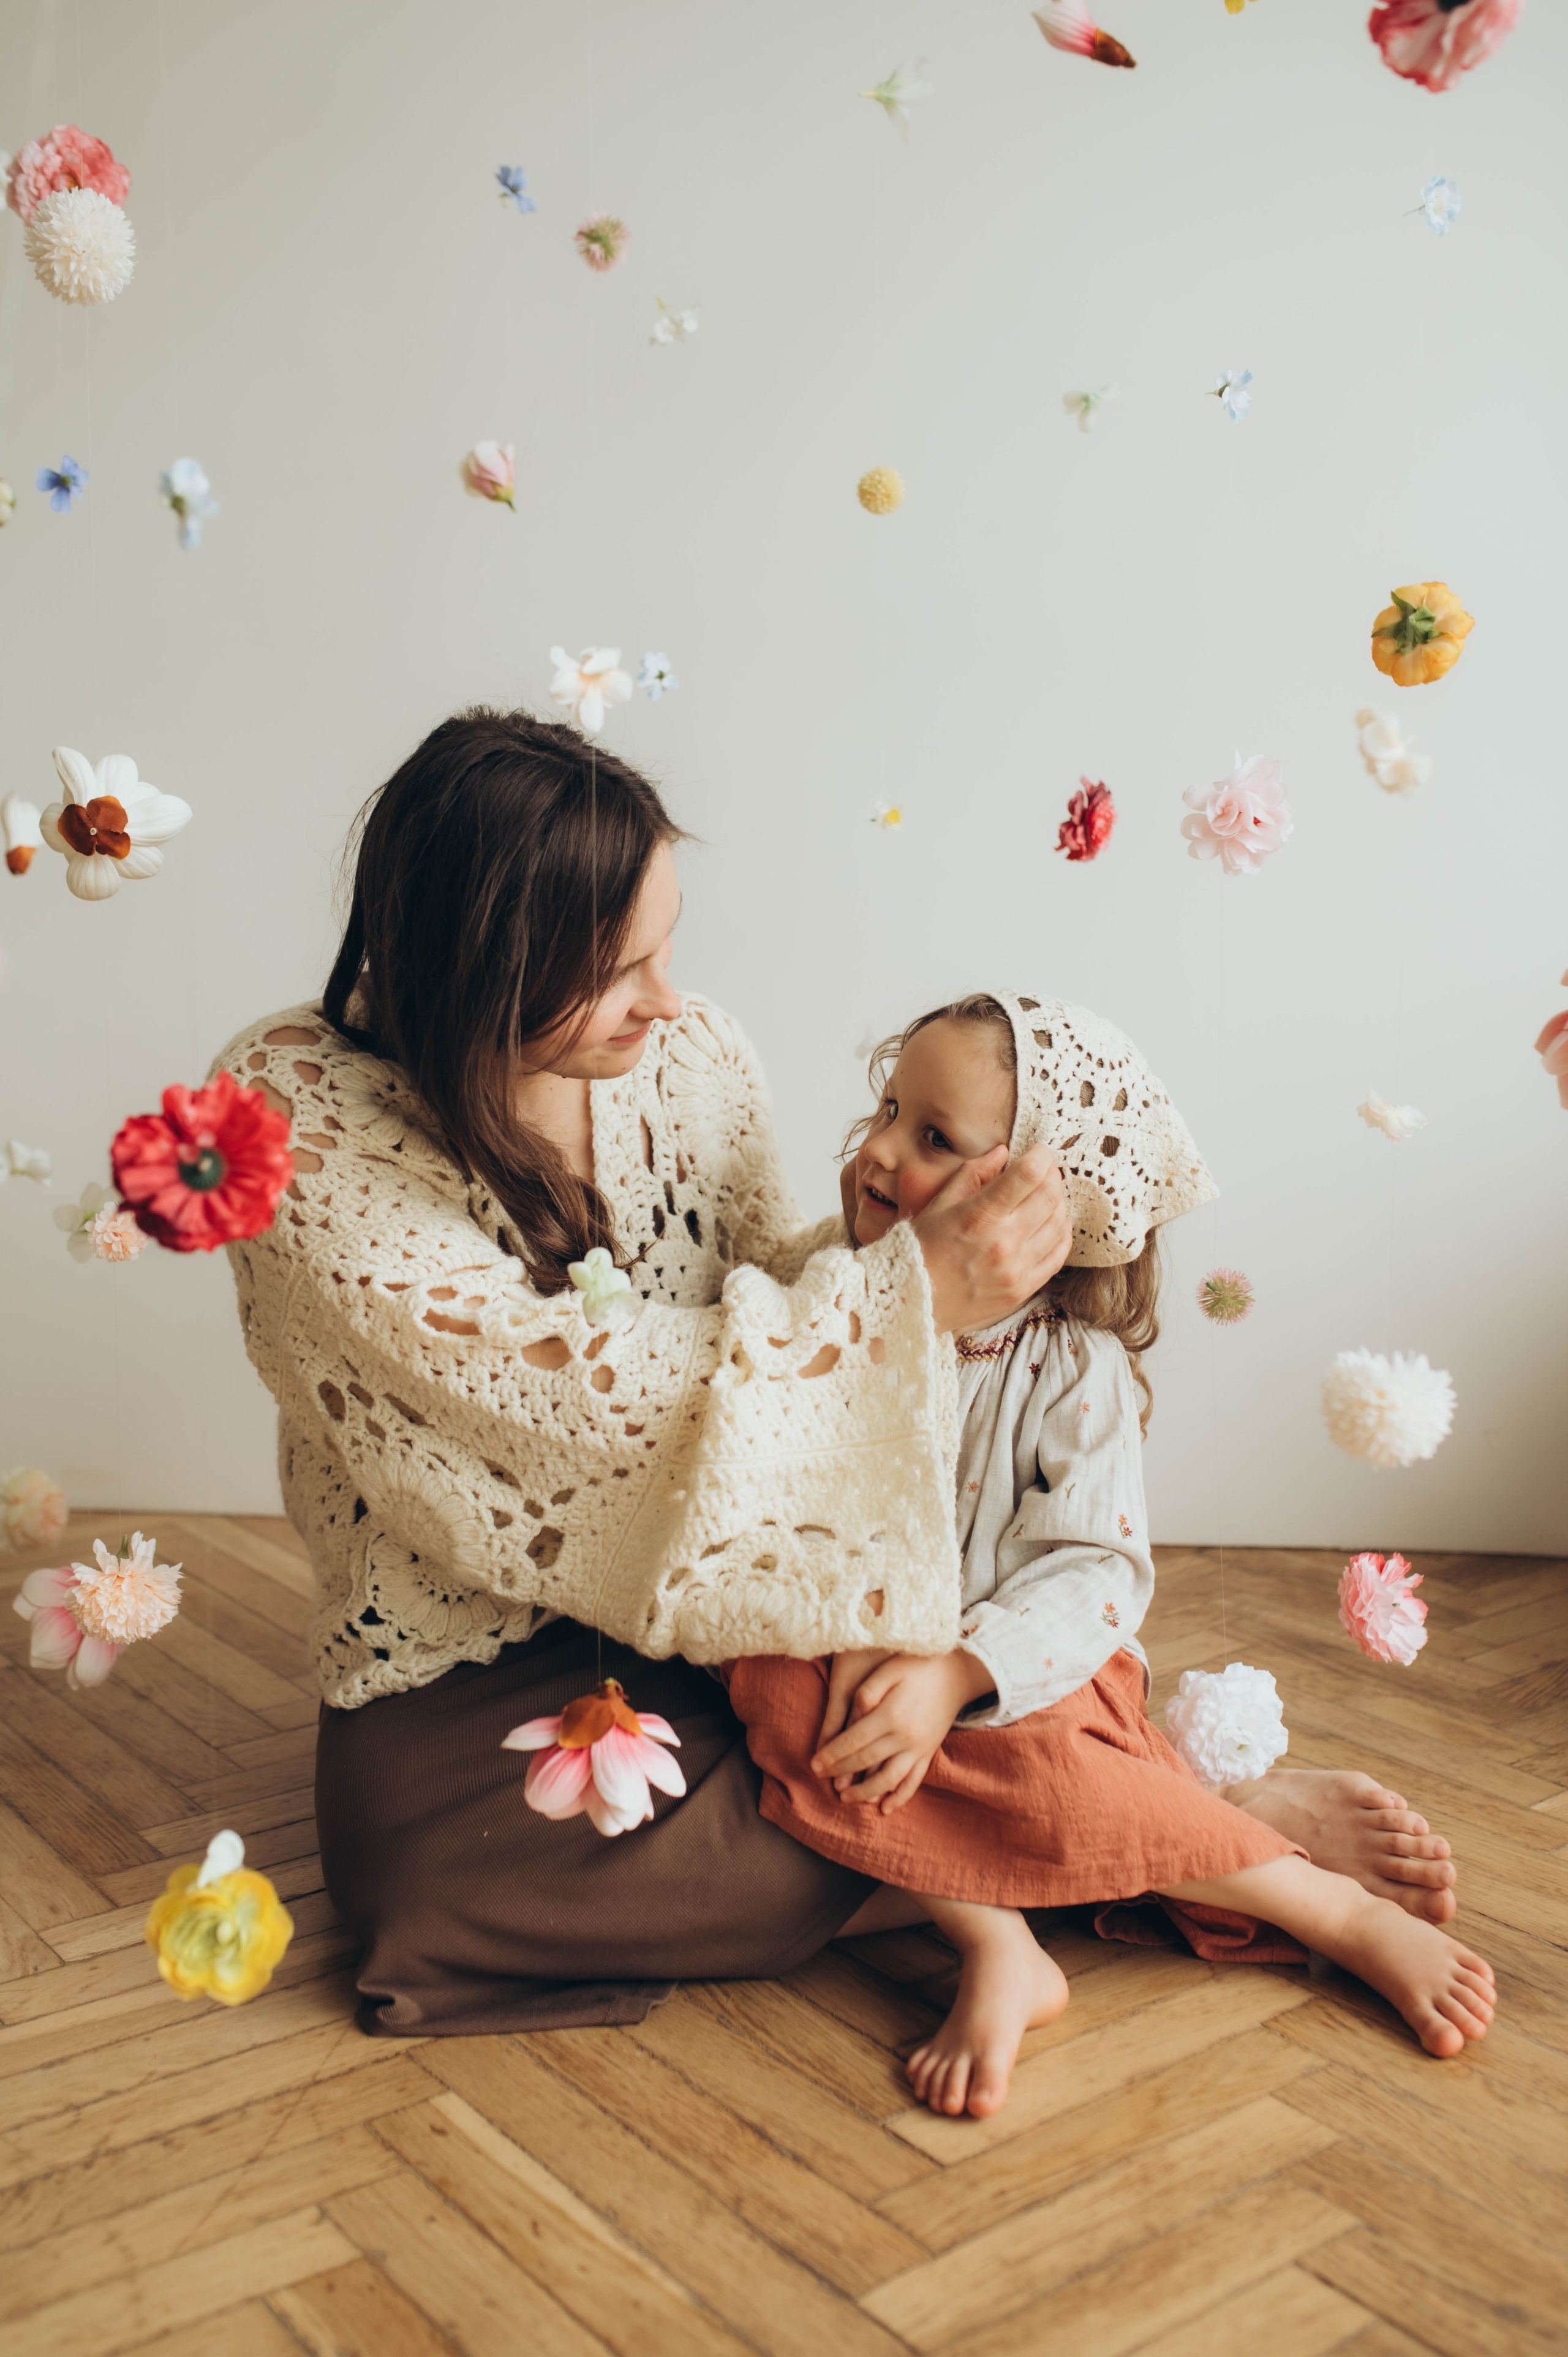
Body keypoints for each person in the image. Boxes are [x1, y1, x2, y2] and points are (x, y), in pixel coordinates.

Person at [214, 708, 1457, 2035]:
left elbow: (783, 1288)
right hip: (480, 1651)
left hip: (740, 1592)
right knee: (426, 1897)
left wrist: (927, 1271)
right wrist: (913, 1288)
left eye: (666, 943)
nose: (669, 999)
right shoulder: (291, 1116)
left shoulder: (690, 1060)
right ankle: (1151, 1826)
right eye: (617, 973)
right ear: (479, 971)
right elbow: (578, 1409)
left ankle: (1169, 1835)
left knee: (865, 1731)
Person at [728, 994, 1496, 2118]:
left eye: (935, 1137)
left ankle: (1329, 1910)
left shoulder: (1065, 1369)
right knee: (780, 1702)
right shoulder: (826, 1301)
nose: (880, 1149)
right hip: (859, 1655)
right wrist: (853, 1635)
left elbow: (1095, 1575)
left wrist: (957, 1675)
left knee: (1045, 1772)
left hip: (1020, 1678)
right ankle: (1001, 1946)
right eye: (890, 1109)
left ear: (1046, 1208)